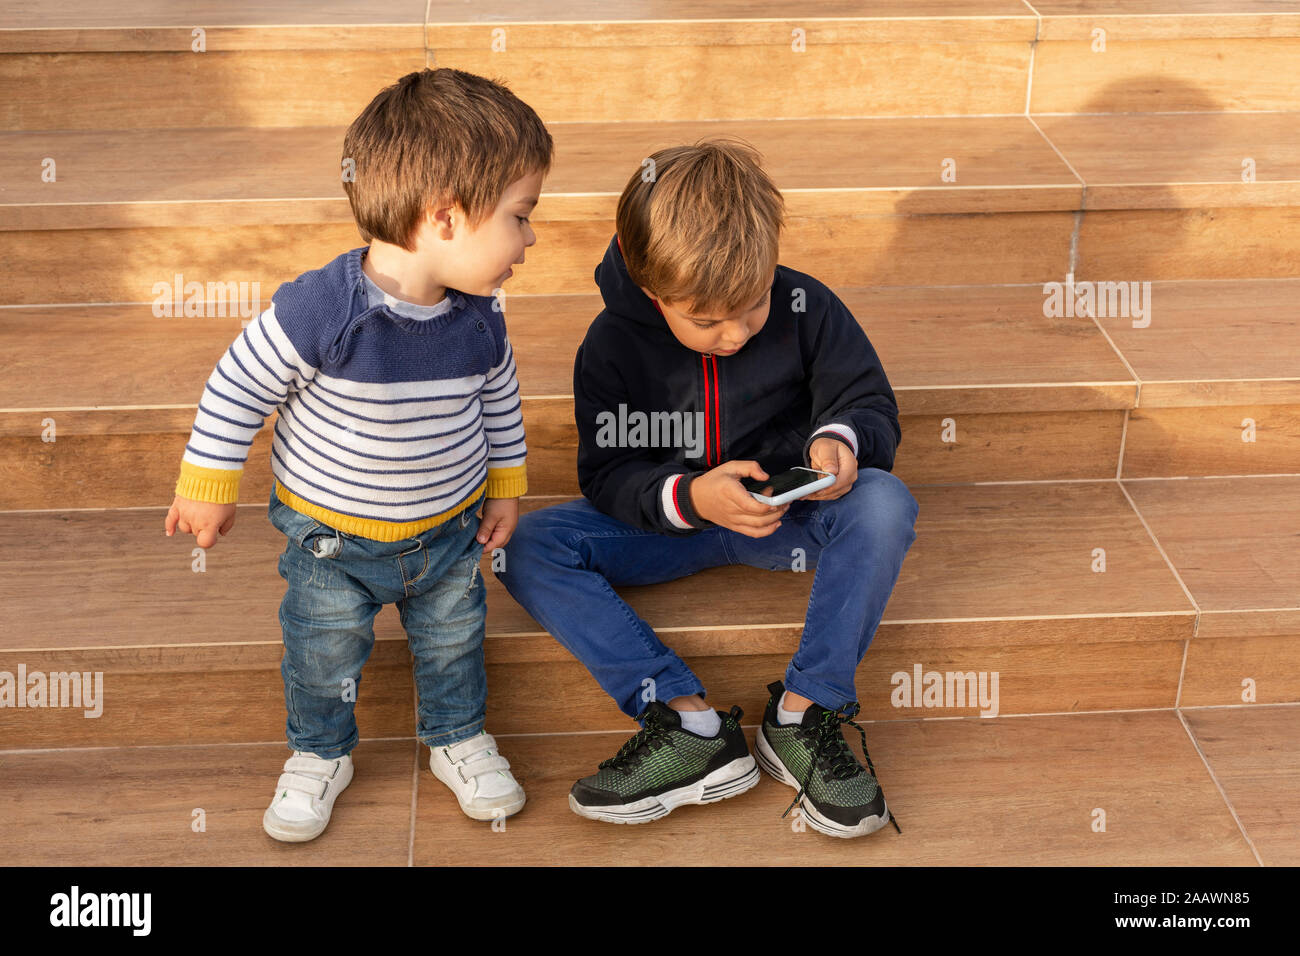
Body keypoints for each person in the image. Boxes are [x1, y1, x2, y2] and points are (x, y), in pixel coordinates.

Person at [164, 68, 553, 842]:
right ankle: (318, 753)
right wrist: (208, 482)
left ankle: (455, 737)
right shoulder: (323, 310)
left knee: (452, 645)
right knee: (322, 655)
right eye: (520, 215)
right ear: (446, 218)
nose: (531, 237)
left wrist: (507, 488)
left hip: (447, 536)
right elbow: (236, 385)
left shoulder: (480, 322)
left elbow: (499, 403)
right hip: (330, 543)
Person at [495, 139, 919, 838]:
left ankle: (804, 715)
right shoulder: (611, 347)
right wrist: (689, 498)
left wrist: (840, 442)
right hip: (671, 525)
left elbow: (867, 401)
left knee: (884, 502)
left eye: (750, 309)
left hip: (793, 518)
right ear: (648, 280)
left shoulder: (808, 306)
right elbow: (606, 475)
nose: (733, 334)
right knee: (530, 547)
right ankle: (687, 723)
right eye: (705, 320)